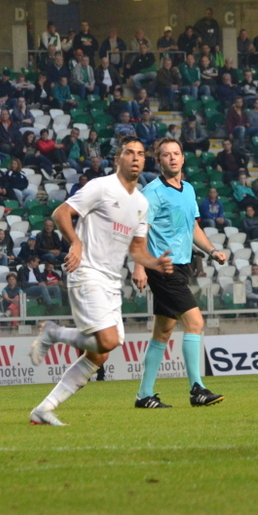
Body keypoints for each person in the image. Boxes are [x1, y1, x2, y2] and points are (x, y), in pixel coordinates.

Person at [28, 137, 174, 426]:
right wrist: (76, 243)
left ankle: (44, 409)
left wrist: (153, 263)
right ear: (118, 158)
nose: (135, 158)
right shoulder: (101, 186)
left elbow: (136, 250)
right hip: (87, 273)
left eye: (140, 154)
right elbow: (61, 213)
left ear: (145, 161)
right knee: (106, 340)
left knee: (101, 354)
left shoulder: (141, 203)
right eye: (129, 153)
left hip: (110, 282)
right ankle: (53, 333)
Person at [132, 139, 227, 409]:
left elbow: (193, 227)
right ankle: (197, 389)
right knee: (195, 323)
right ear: (159, 161)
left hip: (182, 266)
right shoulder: (152, 192)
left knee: (163, 332)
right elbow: (141, 229)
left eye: (176, 154)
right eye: (166, 155)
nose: (172, 158)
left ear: (183, 159)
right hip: (162, 267)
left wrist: (211, 250)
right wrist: (138, 266)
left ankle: (144, 395)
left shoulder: (188, 189)